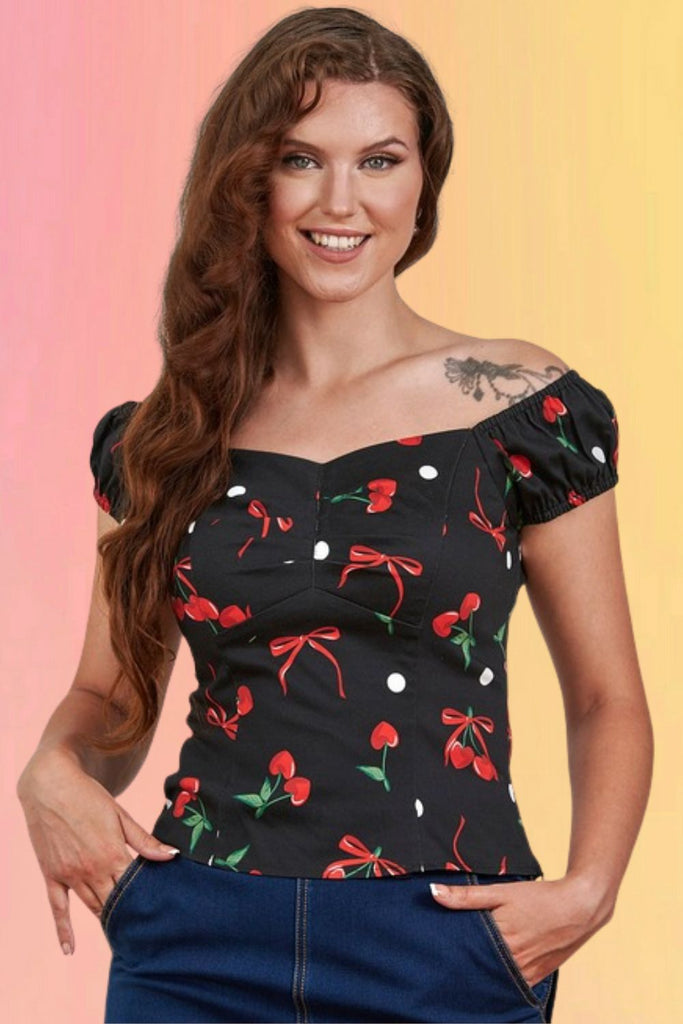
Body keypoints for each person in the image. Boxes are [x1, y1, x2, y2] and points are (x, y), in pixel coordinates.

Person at [16, 7, 652, 1024]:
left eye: (379, 160)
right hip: (195, 940)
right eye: (300, 159)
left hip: (443, 942)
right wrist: (51, 768)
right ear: (250, 182)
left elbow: (604, 696)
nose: (339, 201)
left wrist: (590, 888)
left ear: (423, 183)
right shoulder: (166, 434)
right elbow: (110, 694)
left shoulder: (522, 408)